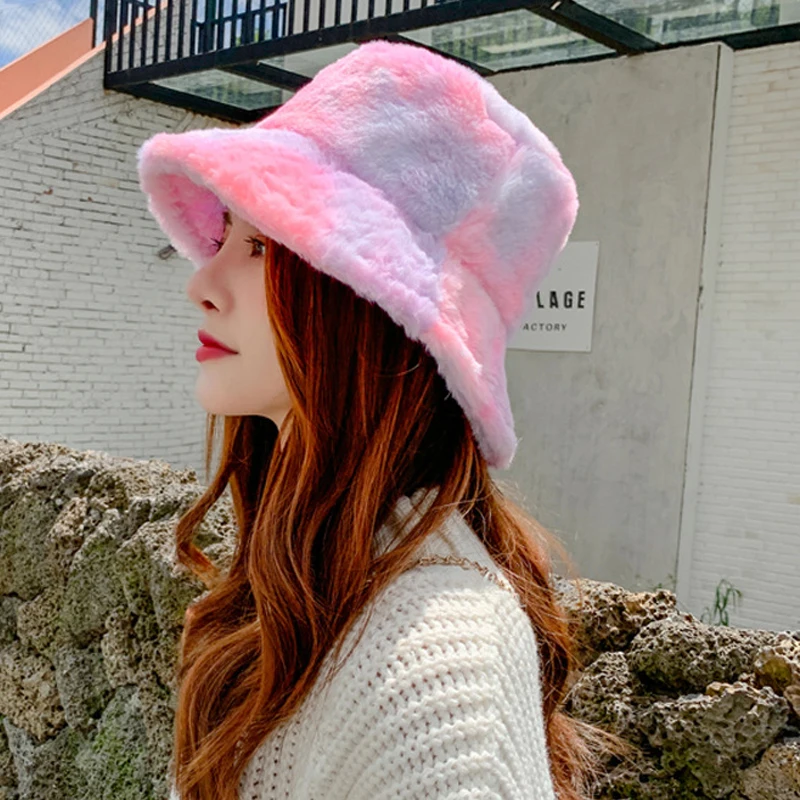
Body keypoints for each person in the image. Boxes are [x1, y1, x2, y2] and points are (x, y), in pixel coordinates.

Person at [137, 37, 608, 800]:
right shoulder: (305, 576)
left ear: (376, 311)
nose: (202, 282)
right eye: (225, 237)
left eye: (263, 248)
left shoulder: (440, 682)